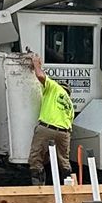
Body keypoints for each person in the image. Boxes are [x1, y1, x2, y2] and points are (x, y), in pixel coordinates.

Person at [24, 50, 79, 185]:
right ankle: (68, 188)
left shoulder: (55, 88)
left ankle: (39, 188)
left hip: (47, 128)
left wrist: (36, 64)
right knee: (64, 161)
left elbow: (40, 76)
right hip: (64, 133)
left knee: (36, 158)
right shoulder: (70, 105)